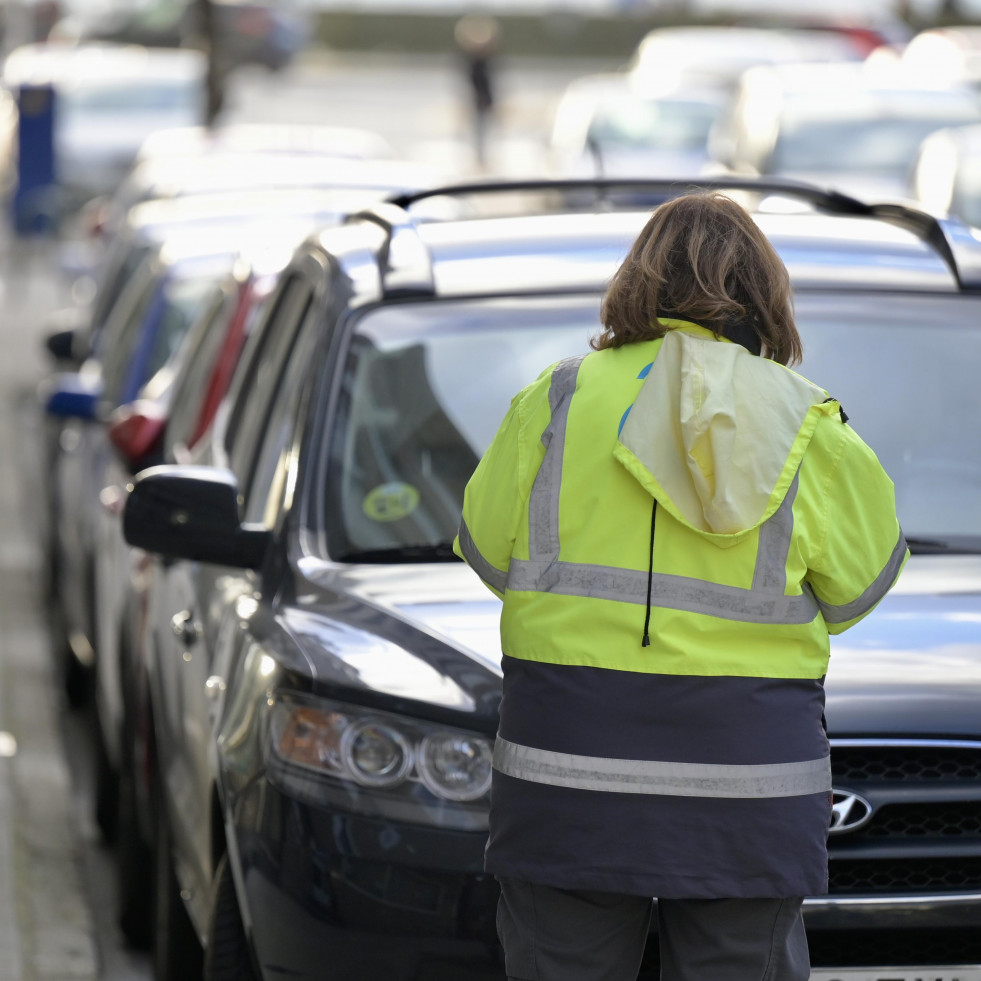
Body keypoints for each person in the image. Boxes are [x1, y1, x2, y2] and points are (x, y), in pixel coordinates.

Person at [453, 192, 908, 981]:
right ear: (765, 291)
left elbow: (489, 553)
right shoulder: (807, 422)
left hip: (568, 778)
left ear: (636, 280)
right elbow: (859, 587)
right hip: (747, 787)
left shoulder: (556, 399)